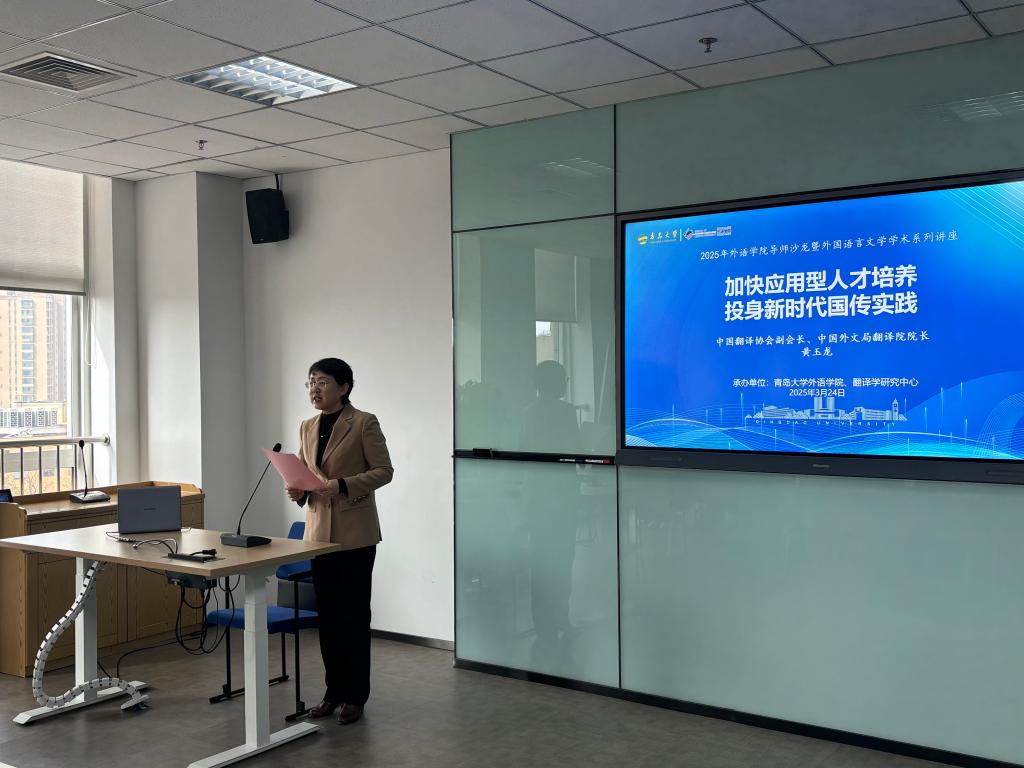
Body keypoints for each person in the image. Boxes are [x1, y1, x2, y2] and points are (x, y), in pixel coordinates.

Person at [286, 357, 393, 725]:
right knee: (329, 618)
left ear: (344, 387)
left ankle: (355, 696)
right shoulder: (307, 426)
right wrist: (298, 491)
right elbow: (305, 473)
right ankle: (333, 692)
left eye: (322, 382)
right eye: (310, 382)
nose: (314, 389)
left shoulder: (363, 422)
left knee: (354, 616)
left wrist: (343, 485)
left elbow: (384, 471)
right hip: (318, 535)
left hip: (355, 534)